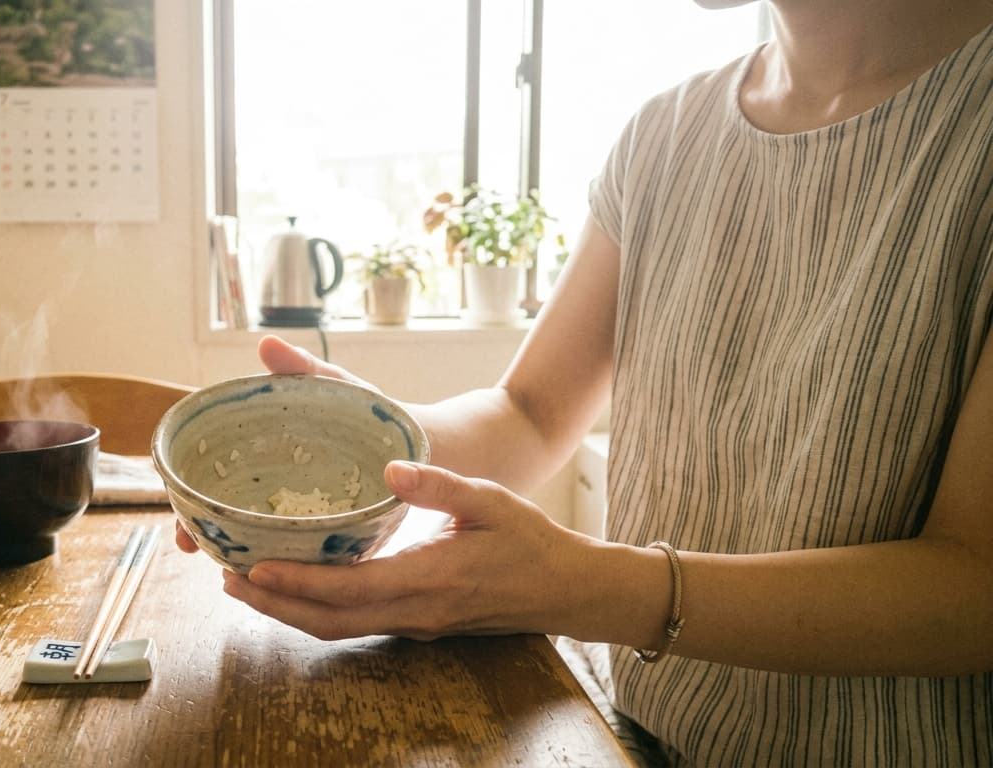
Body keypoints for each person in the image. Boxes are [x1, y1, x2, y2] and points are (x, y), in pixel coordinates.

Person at [178, 0, 993, 763]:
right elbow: (529, 413)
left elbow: (974, 582)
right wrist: (371, 439)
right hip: (629, 732)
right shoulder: (667, 134)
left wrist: (582, 589)